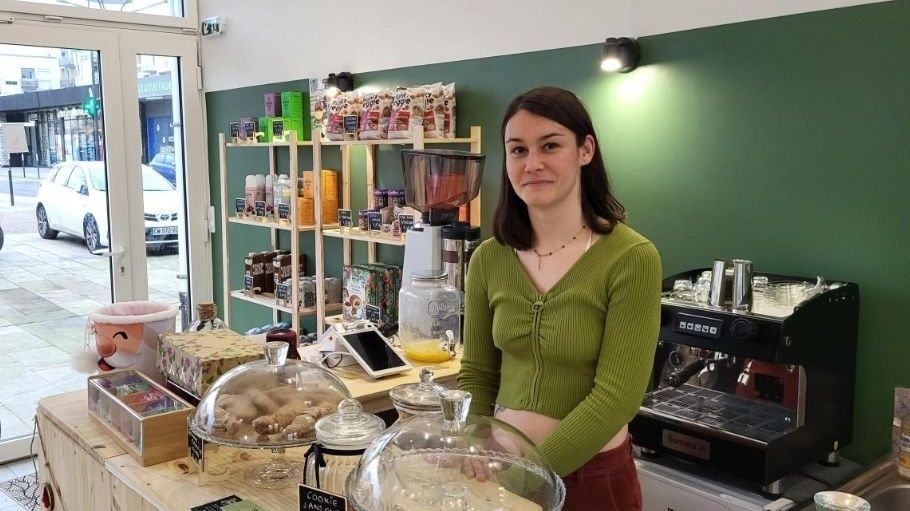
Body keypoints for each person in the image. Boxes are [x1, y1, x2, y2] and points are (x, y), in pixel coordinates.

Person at [458, 86, 662, 511]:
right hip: (498, 470)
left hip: (591, 478)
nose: (533, 164)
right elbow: (477, 372)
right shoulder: (488, 259)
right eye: (518, 150)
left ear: (585, 150)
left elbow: (617, 397)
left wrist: (530, 473)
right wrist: (474, 444)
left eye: (550, 145)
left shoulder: (631, 258)